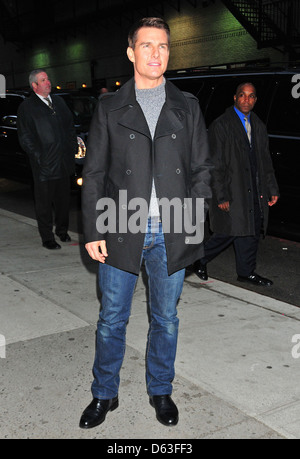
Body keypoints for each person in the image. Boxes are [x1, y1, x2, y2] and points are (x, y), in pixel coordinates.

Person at [79, 17, 212, 429]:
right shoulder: (108, 106)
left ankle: (161, 389)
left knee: (166, 318)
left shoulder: (187, 106)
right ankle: (104, 393)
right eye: (148, 45)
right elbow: (95, 174)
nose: (157, 53)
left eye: (164, 46)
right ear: (131, 52)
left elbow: (201, 171)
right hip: (121, 222)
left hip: (173, 225)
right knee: (112, 318)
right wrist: (93, 230)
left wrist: (194, 221)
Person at [193, 82, 279, 286]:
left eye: (251, 96)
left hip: (254, 188)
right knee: (229, 230)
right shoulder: (221, 125)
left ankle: (246, 272)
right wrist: (221, 195)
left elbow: (265, 161)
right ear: (235, 97)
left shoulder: (258, 125)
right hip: (233, 189)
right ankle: (199, 259)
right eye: (242, 95)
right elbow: (215, 164)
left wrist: (272, 187)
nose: (246, 100)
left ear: (255, 100)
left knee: (251, 228)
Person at [17, 69, 77, 249]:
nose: (48, 82)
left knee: (63, 201)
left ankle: (62, 231)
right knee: (44, 204)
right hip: (44, 165)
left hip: (63, 162)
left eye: (48, 79)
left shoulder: (58, 102)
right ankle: (47, 238)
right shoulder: (27, 107)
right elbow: (25, 137)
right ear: (34, 86)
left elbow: (69, 127)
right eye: (43, 80)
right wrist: (38, 157)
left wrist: (72, 148)